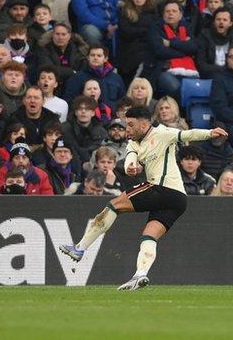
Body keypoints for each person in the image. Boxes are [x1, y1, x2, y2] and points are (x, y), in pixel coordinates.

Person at [60, 106, 228, 290]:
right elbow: (131, 159)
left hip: (163, 188)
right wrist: (130, 167)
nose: (128, 129)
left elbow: (187, 135)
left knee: (114, 204)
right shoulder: (133, 142)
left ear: (144, 124)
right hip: (178, 200)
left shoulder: (163, 133)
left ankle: (80, 248)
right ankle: (140, 275)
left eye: (131, 125)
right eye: (126, 125)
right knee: (148, 236)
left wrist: (210, 132)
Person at [117, 0, 159, 86]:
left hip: (148, 49)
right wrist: (145, 31)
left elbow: (155, 32)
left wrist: (140, 31)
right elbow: (126, 32)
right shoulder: (124, 12)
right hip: (129, 50)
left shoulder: (153, 12)